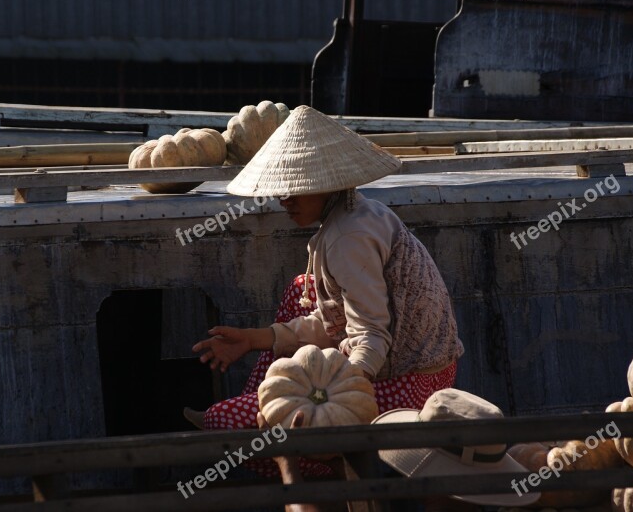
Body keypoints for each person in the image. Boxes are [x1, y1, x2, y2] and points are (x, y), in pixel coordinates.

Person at [187, 105, 465, 477]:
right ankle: (264, 399)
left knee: (230, 423)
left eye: (296, 187)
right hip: (420, 365)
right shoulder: (358, 213)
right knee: (300, 289)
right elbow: (337, 318)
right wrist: (255, 339)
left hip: (411, 383)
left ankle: (332, 471)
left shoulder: (347, 238)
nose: (284, 198)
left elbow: (371, 335)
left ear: (327, 183)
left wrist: (340, 397)